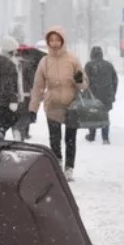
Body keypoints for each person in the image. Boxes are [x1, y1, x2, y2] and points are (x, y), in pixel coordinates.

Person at [28, 26, 87, 181]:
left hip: (71, 105)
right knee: (55, 139)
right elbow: (38, 86)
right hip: (52, 105)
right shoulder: (45, 62)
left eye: (57, 40)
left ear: (62, 41)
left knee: (70, 139)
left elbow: (84, 84)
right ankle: (57, 166)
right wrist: (33, 108)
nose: (54, 43)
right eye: (51, 40)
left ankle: (69, 169)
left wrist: (79, 80)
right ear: (48, 42)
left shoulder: (72, 59)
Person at [83, 46, 117, 144]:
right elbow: (115, 80)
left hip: (93, 95)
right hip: (106, 95)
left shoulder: (89, 65)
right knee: (105, 116)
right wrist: (113, 93)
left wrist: (84, 92)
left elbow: (84, 79)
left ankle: (91, 135)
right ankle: (105, 138)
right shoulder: (109, 65)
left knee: (92, 114)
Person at [0, 35, 21, 134]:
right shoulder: (7, 63)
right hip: (4, 101)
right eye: (14, 50)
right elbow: (8, 84)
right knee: (9, 122)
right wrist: (13, 99)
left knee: (1, 125)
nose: (16, 52)